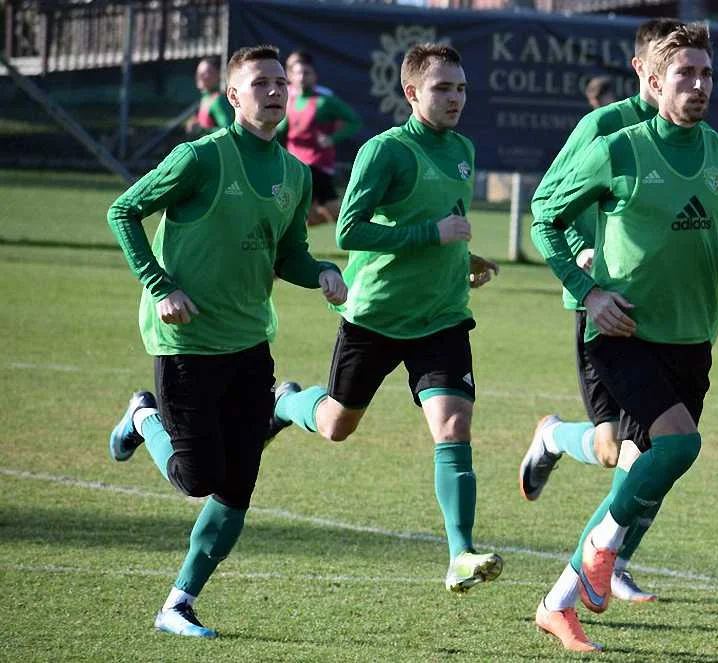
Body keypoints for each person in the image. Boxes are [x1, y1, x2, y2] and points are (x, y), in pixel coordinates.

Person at [529, 23, 718, 652]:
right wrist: (588, 291)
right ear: (653, 80)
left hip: (692, 337)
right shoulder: (619, 148)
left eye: (706, 73)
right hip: (622, 330)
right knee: (679, 444)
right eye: (685, 74)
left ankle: (558, 602)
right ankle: (601, 551)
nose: (698, 85)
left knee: (644, 468)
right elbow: (545, 217)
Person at [105, 44, 348, 638]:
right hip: (186, 342)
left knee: (237, 487)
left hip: (249, 342)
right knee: (198, 479)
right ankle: (142, 417)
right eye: (259, 82)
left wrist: (321, 271)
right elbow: (123, 211)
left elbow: (287, 253)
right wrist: (160, 285)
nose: (274, 90)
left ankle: (178, 604)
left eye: (279, 82)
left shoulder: (295, 173)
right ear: (233, 96)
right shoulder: (201, 157)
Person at [269, 44, 504, 595]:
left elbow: (446, 222)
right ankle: (285, 401)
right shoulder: (386, 151)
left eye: (461, 88)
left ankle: (460, 554)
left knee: (454, 426)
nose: (455, 98)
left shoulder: (463, 149)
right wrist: (432, 236)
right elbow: (349, 230)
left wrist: (463, 258)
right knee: (336, 425)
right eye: (442, 88)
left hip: (442, 317)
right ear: (411, 92)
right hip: (376, 315)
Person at [517, 17, 681, 609]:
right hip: (603, 307)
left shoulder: (693, 135)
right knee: (618, 448)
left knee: (654, 447)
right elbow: (547, 202)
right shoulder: (604, 126)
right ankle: (554, 436)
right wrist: (583, 253)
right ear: (643, 69)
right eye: (668, 67)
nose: (682, 81)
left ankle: (616, 562)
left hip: (666, 315)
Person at [277, 50, 363, 226]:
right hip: (295, 164)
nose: (302, 77)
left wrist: (332, 139)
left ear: (315, 76)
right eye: (297, 73)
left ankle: (356, 227)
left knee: (330, 212)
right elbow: (282, 130)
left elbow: (355, 122)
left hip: (317, 164)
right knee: (301, 214)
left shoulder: (324, 101)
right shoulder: (288, 99)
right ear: (290, 76)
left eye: (306, 73)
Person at [186, 56, 234, 133]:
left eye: (206, 73)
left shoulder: (219, 100)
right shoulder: (205, 97)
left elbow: (228, 131)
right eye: (198, 72)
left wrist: (201, 130)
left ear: (218, 74)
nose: (200, 76)